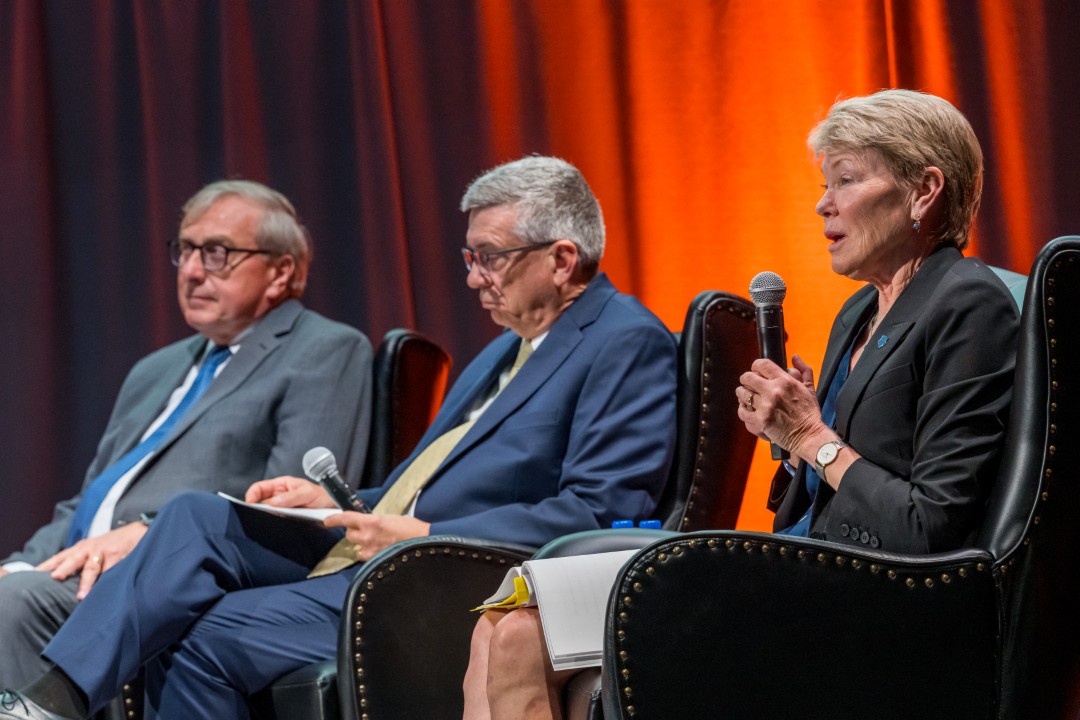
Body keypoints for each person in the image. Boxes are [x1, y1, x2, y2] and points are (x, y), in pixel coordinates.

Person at [0, 156, 678, 720]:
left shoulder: (624, 341)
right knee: (196, 516)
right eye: (470, 256)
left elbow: (596, 511)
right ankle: (54, 699)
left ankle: (52, 703)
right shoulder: (509, 348)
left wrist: (423, 532)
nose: (473, 277)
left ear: (562, 260)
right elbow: (421, 483)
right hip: (384, 543)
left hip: (443, 574)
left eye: (491, 258)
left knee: (198, 635)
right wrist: (321, 503)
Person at [460, 89, 1020, 720]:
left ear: (924, 191)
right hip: (808, 568)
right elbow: (817, 490)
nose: (822, 202)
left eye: (846, 179)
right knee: (503, 628)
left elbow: (931, 526)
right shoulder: (860, 310)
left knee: (518, 632)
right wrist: (790, 436)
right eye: (823, 181)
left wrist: (810, 435)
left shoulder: (970, 304)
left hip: (876, 596)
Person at [0, 180, 372, 689]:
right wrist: (19, 563)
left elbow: (288, 508)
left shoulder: (325, 349)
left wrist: (153, 533)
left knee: (15, 604)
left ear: (280, 271)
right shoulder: (157, 368)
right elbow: (88, 503)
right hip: (83, 569)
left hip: (167, 579)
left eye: (217, 253)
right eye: (186, 250)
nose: (193, 271)